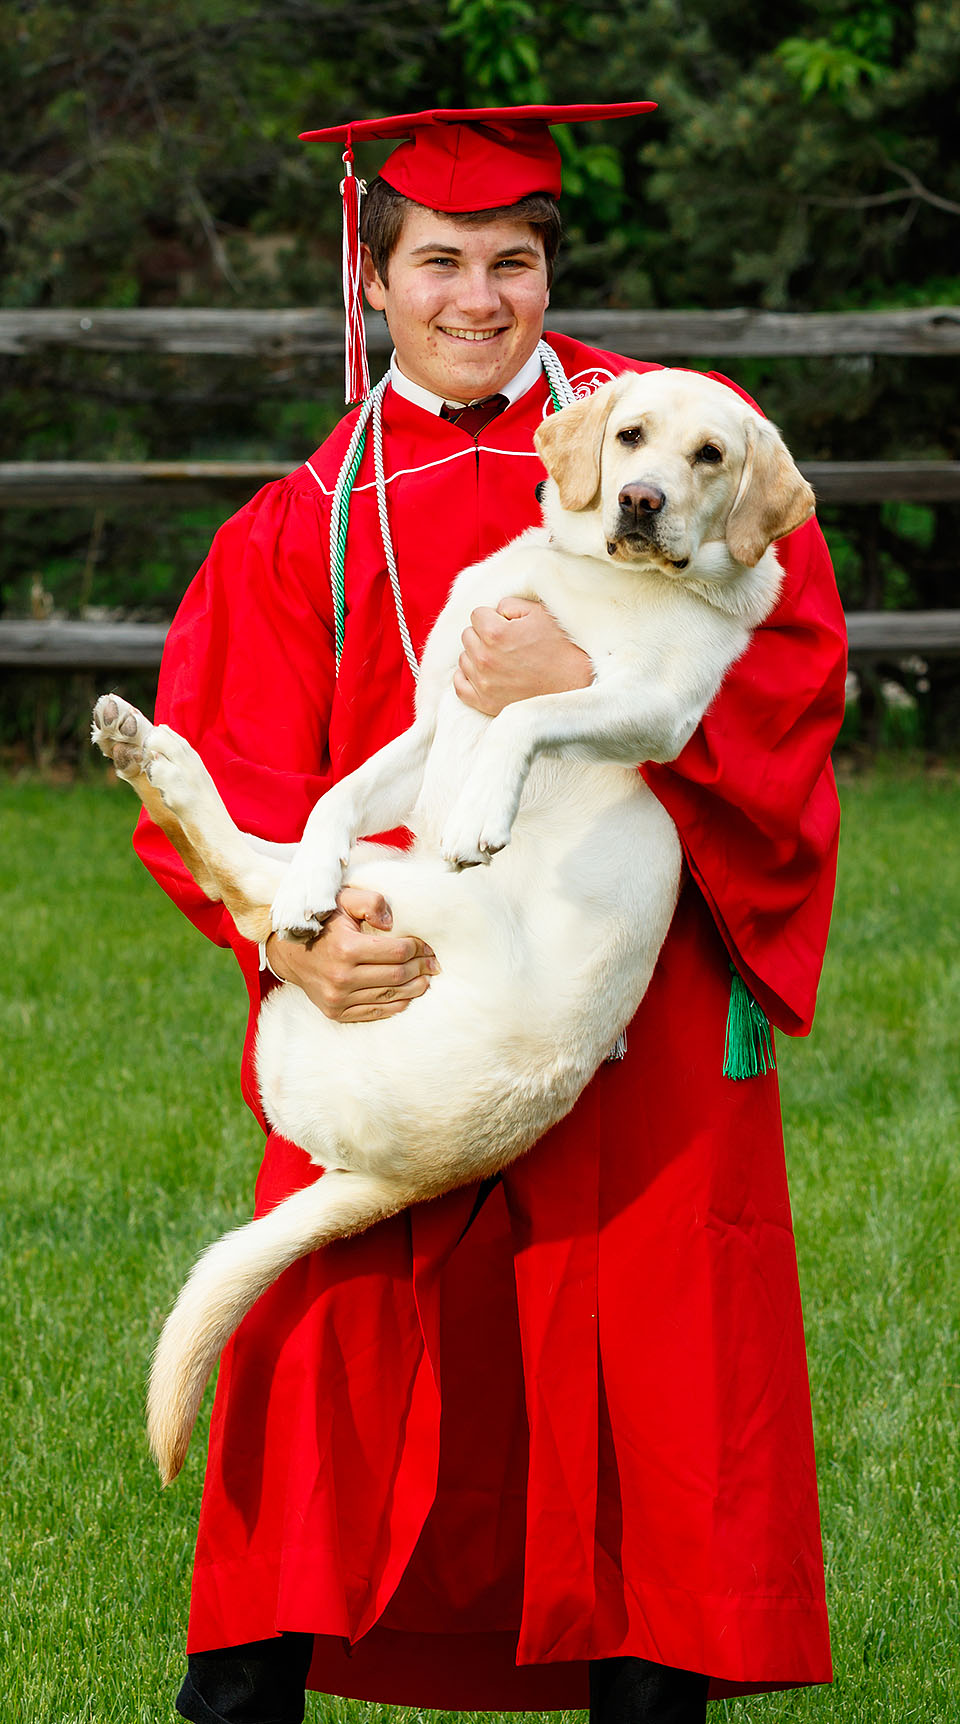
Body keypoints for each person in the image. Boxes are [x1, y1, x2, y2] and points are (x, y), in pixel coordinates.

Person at [133, 106, 847, 1724]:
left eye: (511, 262)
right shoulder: (302, 520)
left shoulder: (671, 437)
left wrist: (578, 686)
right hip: (391, 976)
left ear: (547, 276)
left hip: (629, 973)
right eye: (439, 262)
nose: (478, 297)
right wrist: (290, 937)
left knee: (647, 1358)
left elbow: (792, 673)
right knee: (325, 1349)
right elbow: (234, 752)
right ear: (369, 279)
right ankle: (243, 1697)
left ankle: (650, 1696)